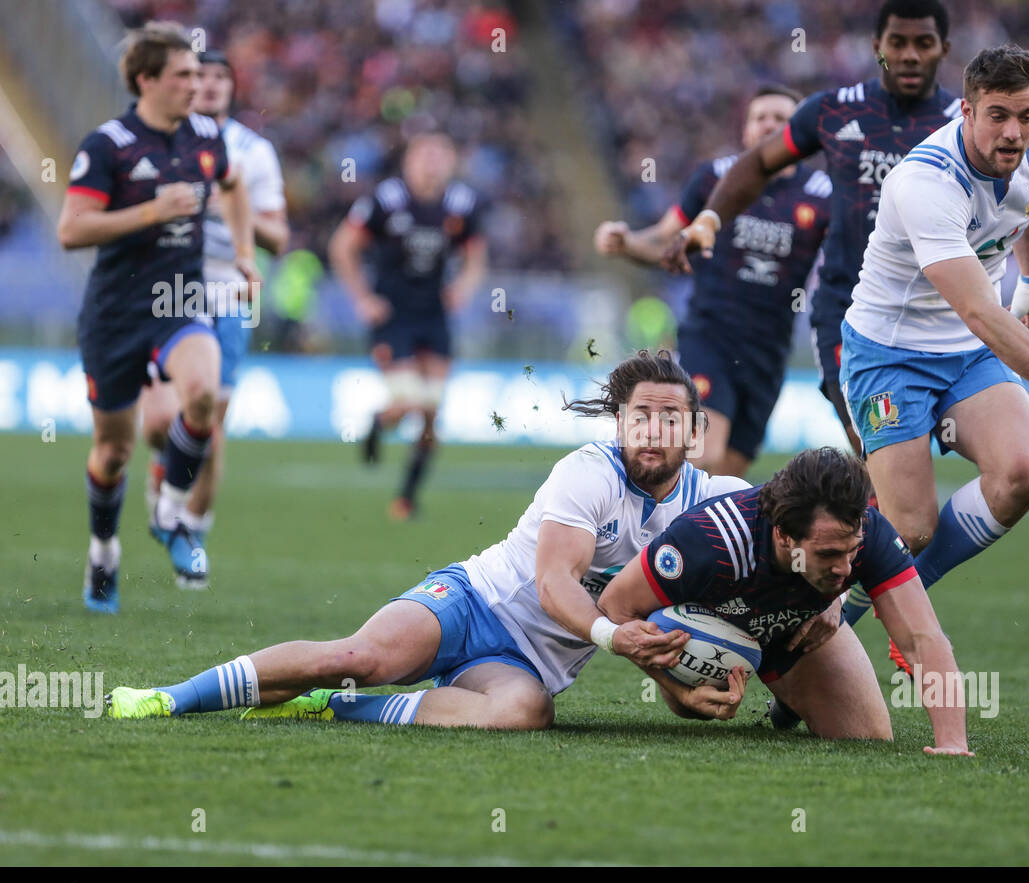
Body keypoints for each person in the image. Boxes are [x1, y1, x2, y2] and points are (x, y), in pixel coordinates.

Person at [106, 351, 751, 728]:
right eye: (641, 415)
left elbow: (674, 620)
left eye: (670, 418)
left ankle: (334, 709)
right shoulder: (589, 472)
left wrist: (685, 689)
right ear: (620, 421)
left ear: (694, 429)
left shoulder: (711, 508)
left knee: (523, 716)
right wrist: (616, 637)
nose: (654, 430)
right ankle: (168, 698)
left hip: (529, 666)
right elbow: (556, 584)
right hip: (472, 603)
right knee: (361, 658)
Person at [829, 44, 1029, 673]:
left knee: (1023, 472)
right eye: (997, 115)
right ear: (965, 110)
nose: (1014, 132)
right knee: (908, 529)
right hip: (890, 354)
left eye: (1025, 115)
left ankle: (903, 607)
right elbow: (979, 313)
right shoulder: (926, 183)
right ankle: (817, 633)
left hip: (964, 352)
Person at [664, 0, 961, 466]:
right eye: (896, 43)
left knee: (984, 475)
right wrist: (709, 219)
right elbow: (758, 162)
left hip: (937, 320)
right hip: (852, 317)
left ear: (943, 48)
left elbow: (1021, 183)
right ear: (876, 47)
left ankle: (875, 534)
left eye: (922, 44)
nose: (908, 55)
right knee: (875, 449)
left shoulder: (963, 124)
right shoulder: (832, 112)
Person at [57, 21, 258, 611]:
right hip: (115, 314)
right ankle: (102, 552)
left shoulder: (204, 134)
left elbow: (235, 184)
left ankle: (171, 511)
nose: (196, 85)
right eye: (183, 75)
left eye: (199, 74)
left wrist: (245, 255)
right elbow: (72, 229)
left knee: (202, 394)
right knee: (113, 451)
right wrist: (149, 212)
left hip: (178, 300)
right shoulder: (109, 144)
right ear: (146, 79)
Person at [597, 447, 973, 754]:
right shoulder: (707, 541)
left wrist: (952, 742)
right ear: (783, 535)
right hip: (710, 625)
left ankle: (790, 702)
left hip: (795, 631)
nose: (845, 571)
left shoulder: (871, 533)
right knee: (692, 712)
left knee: (866, 738)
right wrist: (676, 685)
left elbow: (923, 638)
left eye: (851, 550)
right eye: (827, 554)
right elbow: (615, 606)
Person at [594, 85, 830, 478]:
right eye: (760, 117)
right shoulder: (715, 179)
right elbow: (667, 241)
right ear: (745, 130)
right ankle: (651, 534)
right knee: (703, 454)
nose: (769, 125)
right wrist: (625, 242)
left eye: (781, 118)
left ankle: (687, 536)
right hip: (711, 335)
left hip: (768, 351)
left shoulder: (823, 194)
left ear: (798, 132)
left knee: (728, 479)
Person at [139, 48, 289, 583]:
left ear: (231, 88)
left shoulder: (254, 153)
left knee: (214, 425)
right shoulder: (158, 140)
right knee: (161, 420)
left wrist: (232, 208)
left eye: (221, 77)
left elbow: (279, 234)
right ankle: (166, 472)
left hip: (227, 293)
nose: (210, 85)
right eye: (199, 75)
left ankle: (193, 531)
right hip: (170, 289)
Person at [329, 132, 488, 520]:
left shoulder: (461, 204)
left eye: (440, 154)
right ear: (409, 160)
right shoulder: (385, 201)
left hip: (434, 316)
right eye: (425, 154)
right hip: (393, 317)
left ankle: (407, 497)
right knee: (408, 403)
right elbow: (342, 246)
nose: (432, 161)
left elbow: (476, 255)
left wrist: (464, 286)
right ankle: (377, 423)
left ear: (451, 161)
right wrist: (362, 298)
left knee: (433, 412)